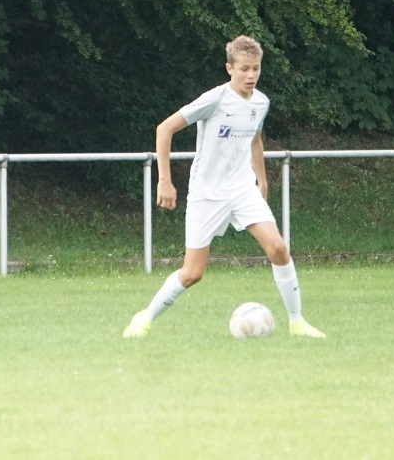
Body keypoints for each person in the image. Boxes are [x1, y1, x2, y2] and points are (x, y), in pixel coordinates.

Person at [123, 35, 326, 339]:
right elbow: (164, 129)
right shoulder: (215, 100)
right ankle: (145, 317)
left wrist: (262, 179)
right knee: (192, 273)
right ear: (230, 68)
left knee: (278, 249)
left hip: (242, 190)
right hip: (207, 194)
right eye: (244, 68)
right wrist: (164, 180)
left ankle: (297, 323)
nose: (251, 75)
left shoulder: (261, 102)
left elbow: (255, 139)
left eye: (256, 68)